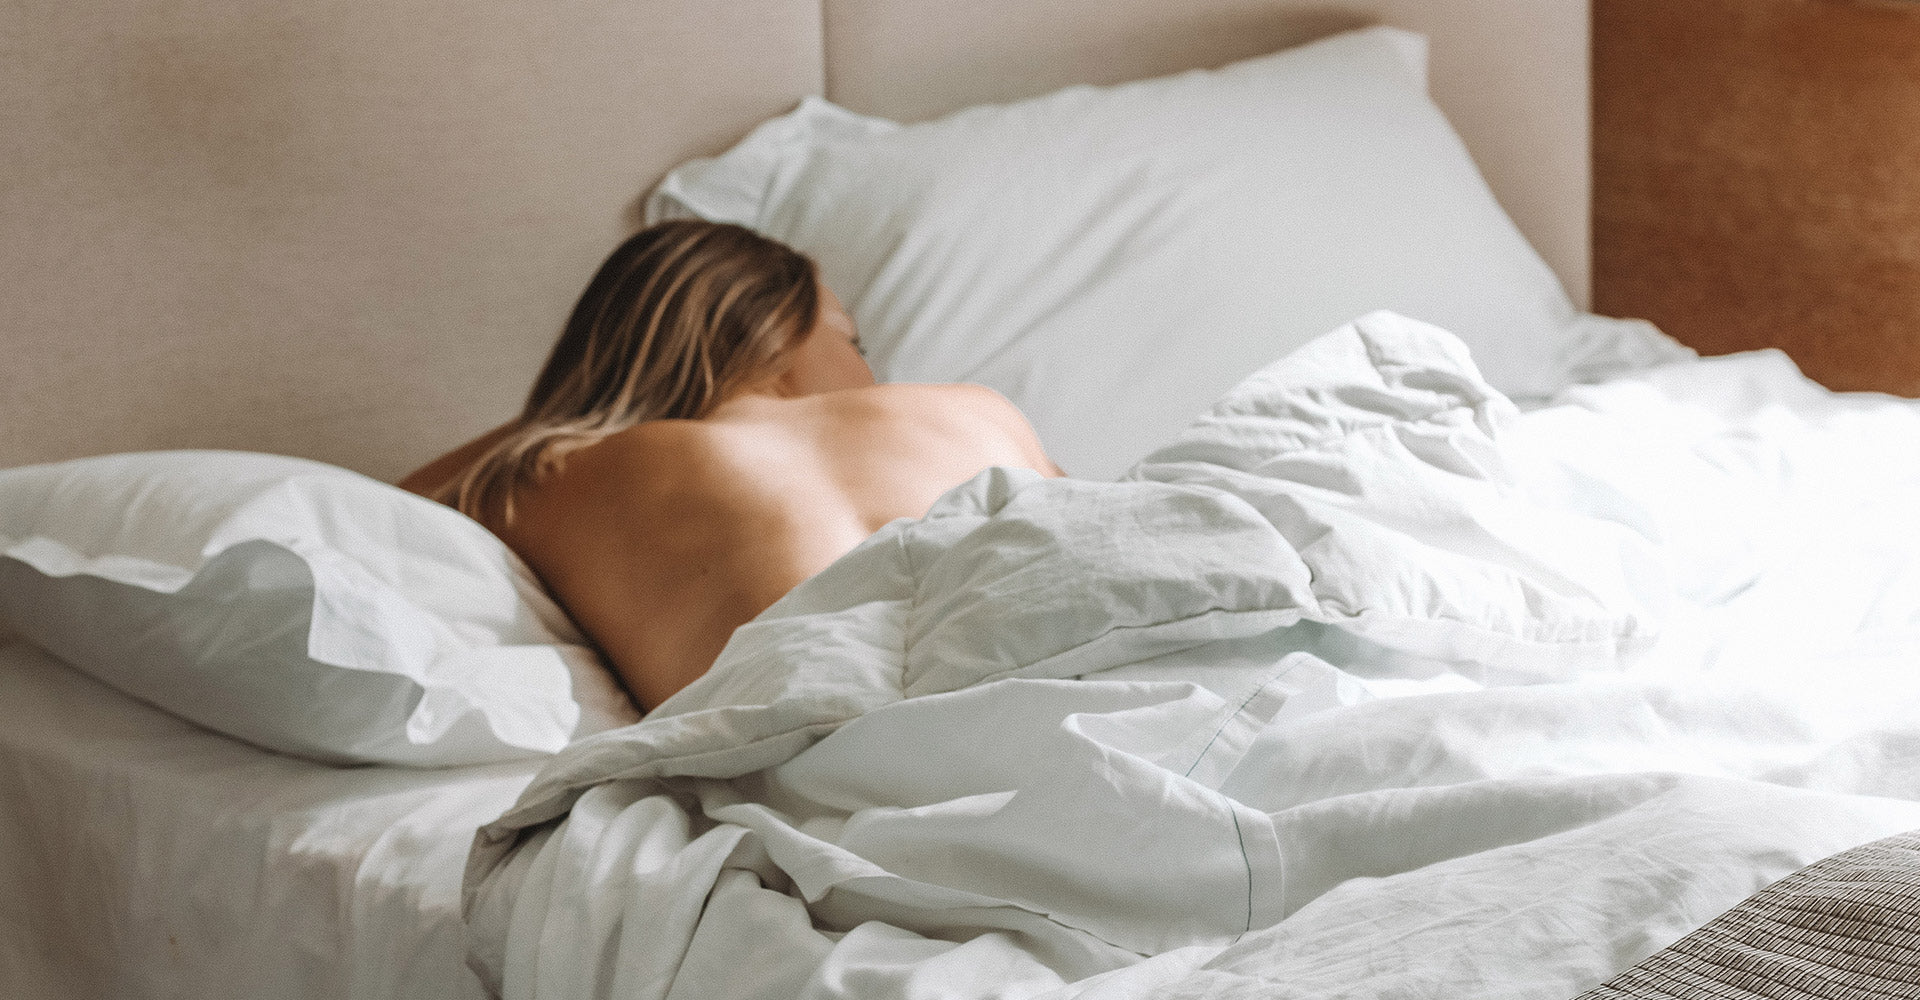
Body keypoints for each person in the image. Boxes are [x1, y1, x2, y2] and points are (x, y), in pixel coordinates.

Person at [400, 220, 1063, 711]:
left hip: (821, 749)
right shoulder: (976, 413)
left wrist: (592, 401)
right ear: (779, 332)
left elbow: (381, 508)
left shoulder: (555, 473)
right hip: (1057, 696)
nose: (870, 368)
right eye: (852, 339)